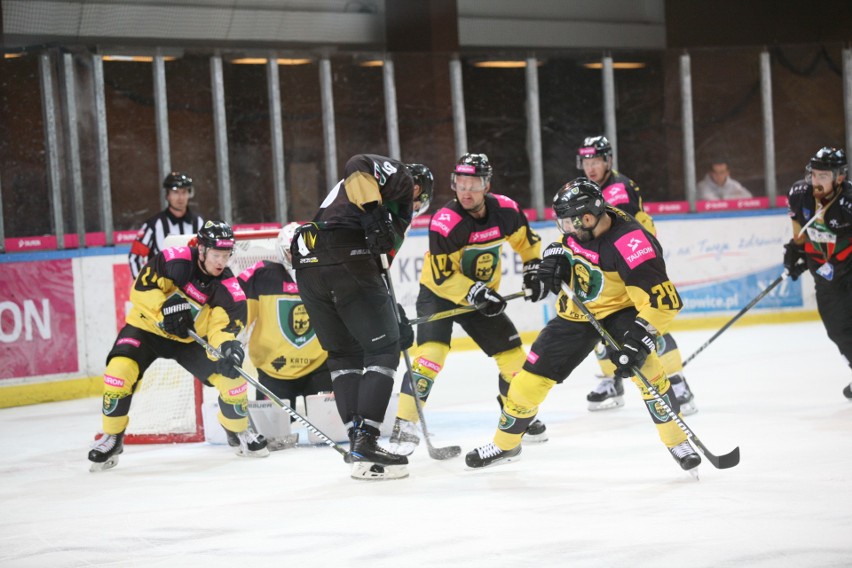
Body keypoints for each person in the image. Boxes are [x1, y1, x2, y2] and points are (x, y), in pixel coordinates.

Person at [466, 178, 700, 475]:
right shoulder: (584, 224)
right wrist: (554, 257)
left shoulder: (631, 244)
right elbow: (563, 244)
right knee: (527, 383)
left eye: (568, 222)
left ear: (587, 217)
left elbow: (664, 301)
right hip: (576, 314)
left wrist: (640, 338)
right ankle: (506, 444)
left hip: (620, 311)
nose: (564, 228)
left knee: (650, 373)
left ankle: (677, 441)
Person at [387, 153, 548, 456]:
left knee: (514, 358)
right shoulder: (446, 222)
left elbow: (527, 244)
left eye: (473, 183)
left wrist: (533, 270)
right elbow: (443, 275)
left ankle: (514, 415)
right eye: (461, 183)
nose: (466, 191)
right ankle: (404, 424)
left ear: (487, 185)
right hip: (439, 294)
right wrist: (474, 291)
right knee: (431, 357)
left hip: (481, 299)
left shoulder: (507, 211)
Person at [290, 154, 433, 480]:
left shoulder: (380, 210)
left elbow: (376, 272)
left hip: (309, 263)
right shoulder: (400, 179)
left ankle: (357, 437)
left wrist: (390, 311)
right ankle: (366, 439)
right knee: (384, 349)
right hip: (342, 254)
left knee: (345, 353)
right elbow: (358, 164)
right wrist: (372, 213)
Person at [88, 220, 269, 471]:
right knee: (118, 372)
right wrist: (164, 312)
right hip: (147, 329)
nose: (221, 262)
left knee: (234, 381)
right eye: (216, 254)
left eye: (226, 256)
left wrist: (229, 347)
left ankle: (237, 430)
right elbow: (141, 289)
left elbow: (222, 328)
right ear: (202, 250)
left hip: (190, 340)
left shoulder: (228, 287)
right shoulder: (175, 260)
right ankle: (112, 437)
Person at [577, 135, 696, 414]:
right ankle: (611, 381)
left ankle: (677, 383)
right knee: (597, 319)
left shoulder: (618, 189)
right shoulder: (585, 189)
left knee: (649, 321)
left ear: (608, 161)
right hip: (607, 266)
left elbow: (618, 232)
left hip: (635, 263)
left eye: (596, 161)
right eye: (586, 161)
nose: (590, 167)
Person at [237, 222, 331, 411]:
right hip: (274, 368)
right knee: (275, 436)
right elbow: (235, 311)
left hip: (319, 366)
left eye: (303, 250)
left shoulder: (326, 275)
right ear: (281, 251)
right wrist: (232, 343)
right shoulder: (260, 275)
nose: (297, 256)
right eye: (291, 251)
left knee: (328, 430)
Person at [783, 147, 852, 401]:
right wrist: (795, 251)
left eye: (824, 176)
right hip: (824, 273)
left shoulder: (849, 202)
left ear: (840, 178)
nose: (816, 181)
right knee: (837, 328)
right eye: (814, 175)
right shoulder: (799, 194)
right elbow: (799, 231)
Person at [128, 172, 205, 278]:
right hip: (162, 289)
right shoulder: (154, 225)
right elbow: (135, 257)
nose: (180, 197)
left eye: (184, 192)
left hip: (193, 289)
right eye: (175, 192)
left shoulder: (199, 222)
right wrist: (144, 287)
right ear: (167, 195)